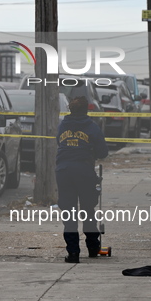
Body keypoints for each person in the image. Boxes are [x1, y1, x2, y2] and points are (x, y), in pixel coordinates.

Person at [55, 96, 109, 263]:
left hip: (63, 171)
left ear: (70, 109)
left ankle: (73, 253)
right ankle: (93, 248)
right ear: (87, 109)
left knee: (69, 214)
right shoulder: (92, 127)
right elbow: (102, 152)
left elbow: (59, 141)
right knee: (88, 211)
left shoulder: (63, 125)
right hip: (84, 172)